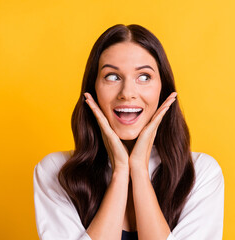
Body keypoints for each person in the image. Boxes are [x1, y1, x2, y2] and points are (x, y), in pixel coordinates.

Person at [33, 24, 224, 240]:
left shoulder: (201, 174)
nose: (127, 93)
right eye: (112, 76)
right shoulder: (56, 172)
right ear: (92, 90)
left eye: (144, 77)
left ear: (163, 90)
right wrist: (120, 172)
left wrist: (139, 171)